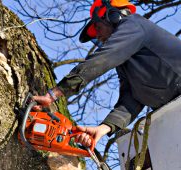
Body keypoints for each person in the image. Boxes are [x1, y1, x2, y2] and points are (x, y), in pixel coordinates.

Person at [33, 0, 181, 147]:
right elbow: (131, 100)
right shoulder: (126, 62)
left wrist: (54, 94)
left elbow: (102, 59)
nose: (97, 36)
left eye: (97, 27)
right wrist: (103, 128)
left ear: (112, 16)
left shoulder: (135, 25)